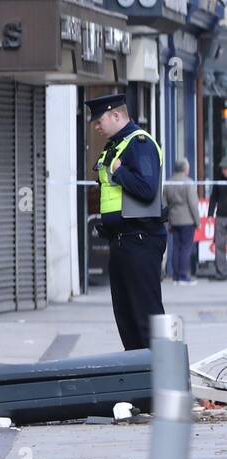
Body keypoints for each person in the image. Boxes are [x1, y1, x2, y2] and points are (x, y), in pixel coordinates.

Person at [87, 93, 166, 349]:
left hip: (140, 241)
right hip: (121, 243)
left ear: (116, 115)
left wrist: (119, 171)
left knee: (146, 318)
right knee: (127, 319)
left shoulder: (139, 143)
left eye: (99, 121)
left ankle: (161, 377)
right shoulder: (115, 146)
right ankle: (139, 377)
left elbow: (147, 188)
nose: (96, 126)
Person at [165, 158, 199, 286]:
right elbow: (193, 205)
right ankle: (184, 276)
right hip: (187, 220)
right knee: (186, 248)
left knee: (176, 247)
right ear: (185, 169)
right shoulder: (188, 182)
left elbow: (165, 201)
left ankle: (176, 276)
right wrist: (198, 221)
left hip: (174, 219)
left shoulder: (168, 182)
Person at [209, 157, 227, 282]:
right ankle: (221, 272)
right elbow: (213, 197)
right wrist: (210, 214)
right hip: (220, 216)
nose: (224, 171)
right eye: (223, 169)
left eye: (226, 169)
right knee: (219, 245)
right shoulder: (218, 180)